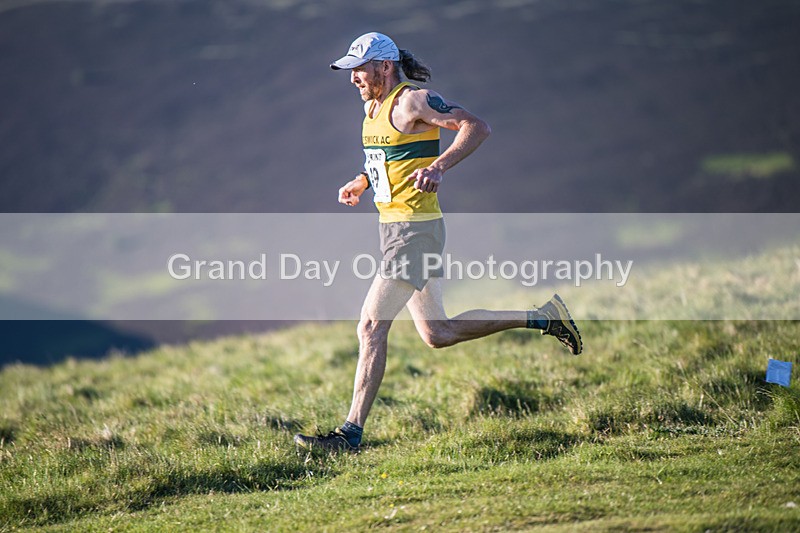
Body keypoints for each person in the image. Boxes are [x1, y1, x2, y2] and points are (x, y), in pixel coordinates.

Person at [294, 32, 581, 452]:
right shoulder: (372, 109)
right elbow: (388, 156)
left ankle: (348, 435)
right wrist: (362, 181)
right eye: (350, 71)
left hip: (415, 231)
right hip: (395, 229)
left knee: (371, 327)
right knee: (437, 333)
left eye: (359, 69)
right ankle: (543, 316)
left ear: (384, 67)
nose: (353, 77)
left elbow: (476, 127)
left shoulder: (414, 100)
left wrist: (440, 166)